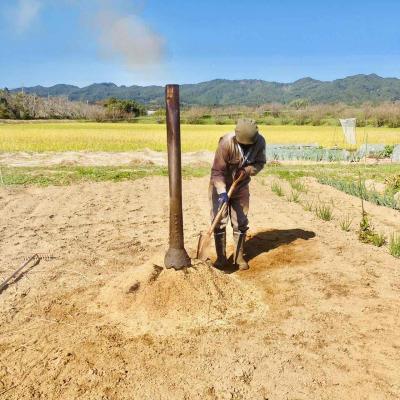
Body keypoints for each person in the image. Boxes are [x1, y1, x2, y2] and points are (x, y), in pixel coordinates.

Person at [209, 118, 266, 270]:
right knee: (219, 220)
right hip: (220, 185)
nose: (245, 147)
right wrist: (222, 192)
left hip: (240, 186)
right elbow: (217, 172)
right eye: (242, 145)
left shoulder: (260, 142)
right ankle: (221, 258)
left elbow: (260, 163)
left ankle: (239, 257)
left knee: (240, 221)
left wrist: (247, 171)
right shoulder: (226, 143)